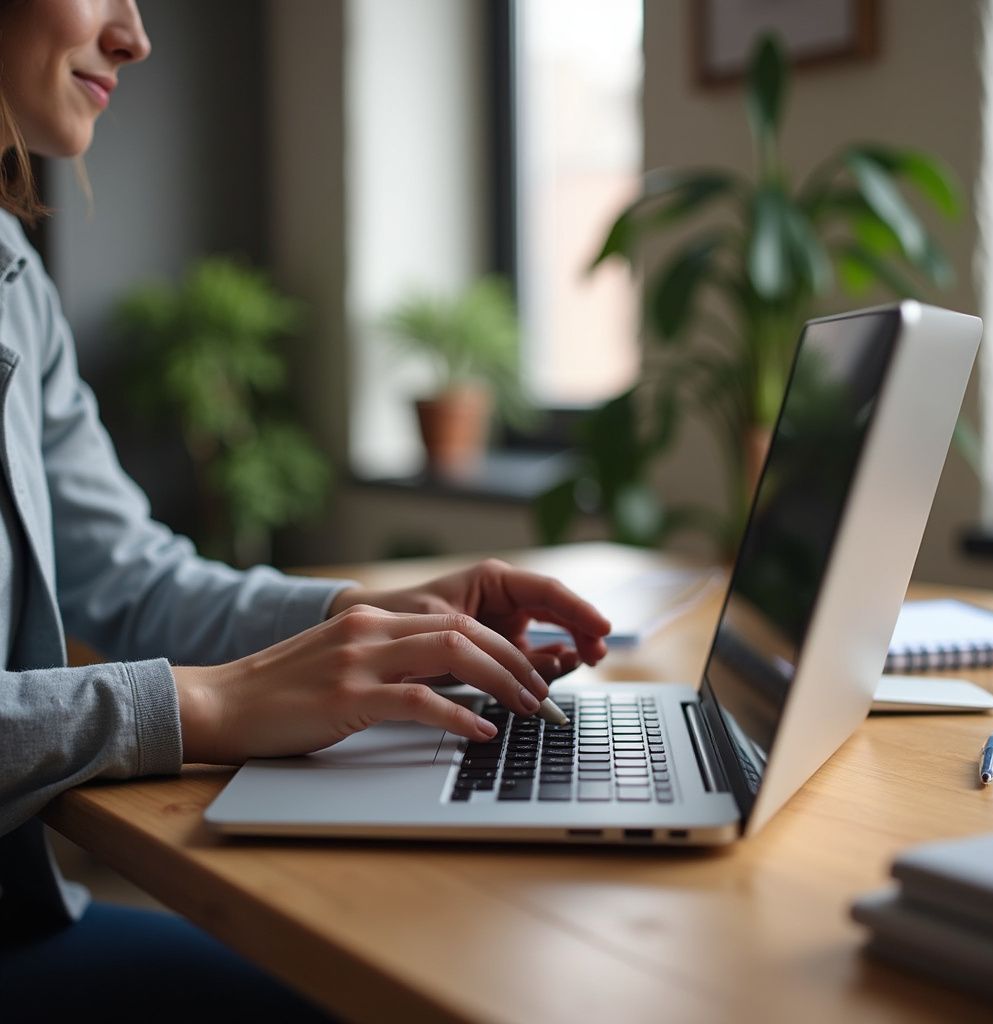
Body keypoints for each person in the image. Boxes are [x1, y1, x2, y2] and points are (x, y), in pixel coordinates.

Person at [0, 2, 611, 1019]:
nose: (135, 35)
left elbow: (127, 570)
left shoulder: (15, 279)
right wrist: (201, 702)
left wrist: (360, 620)